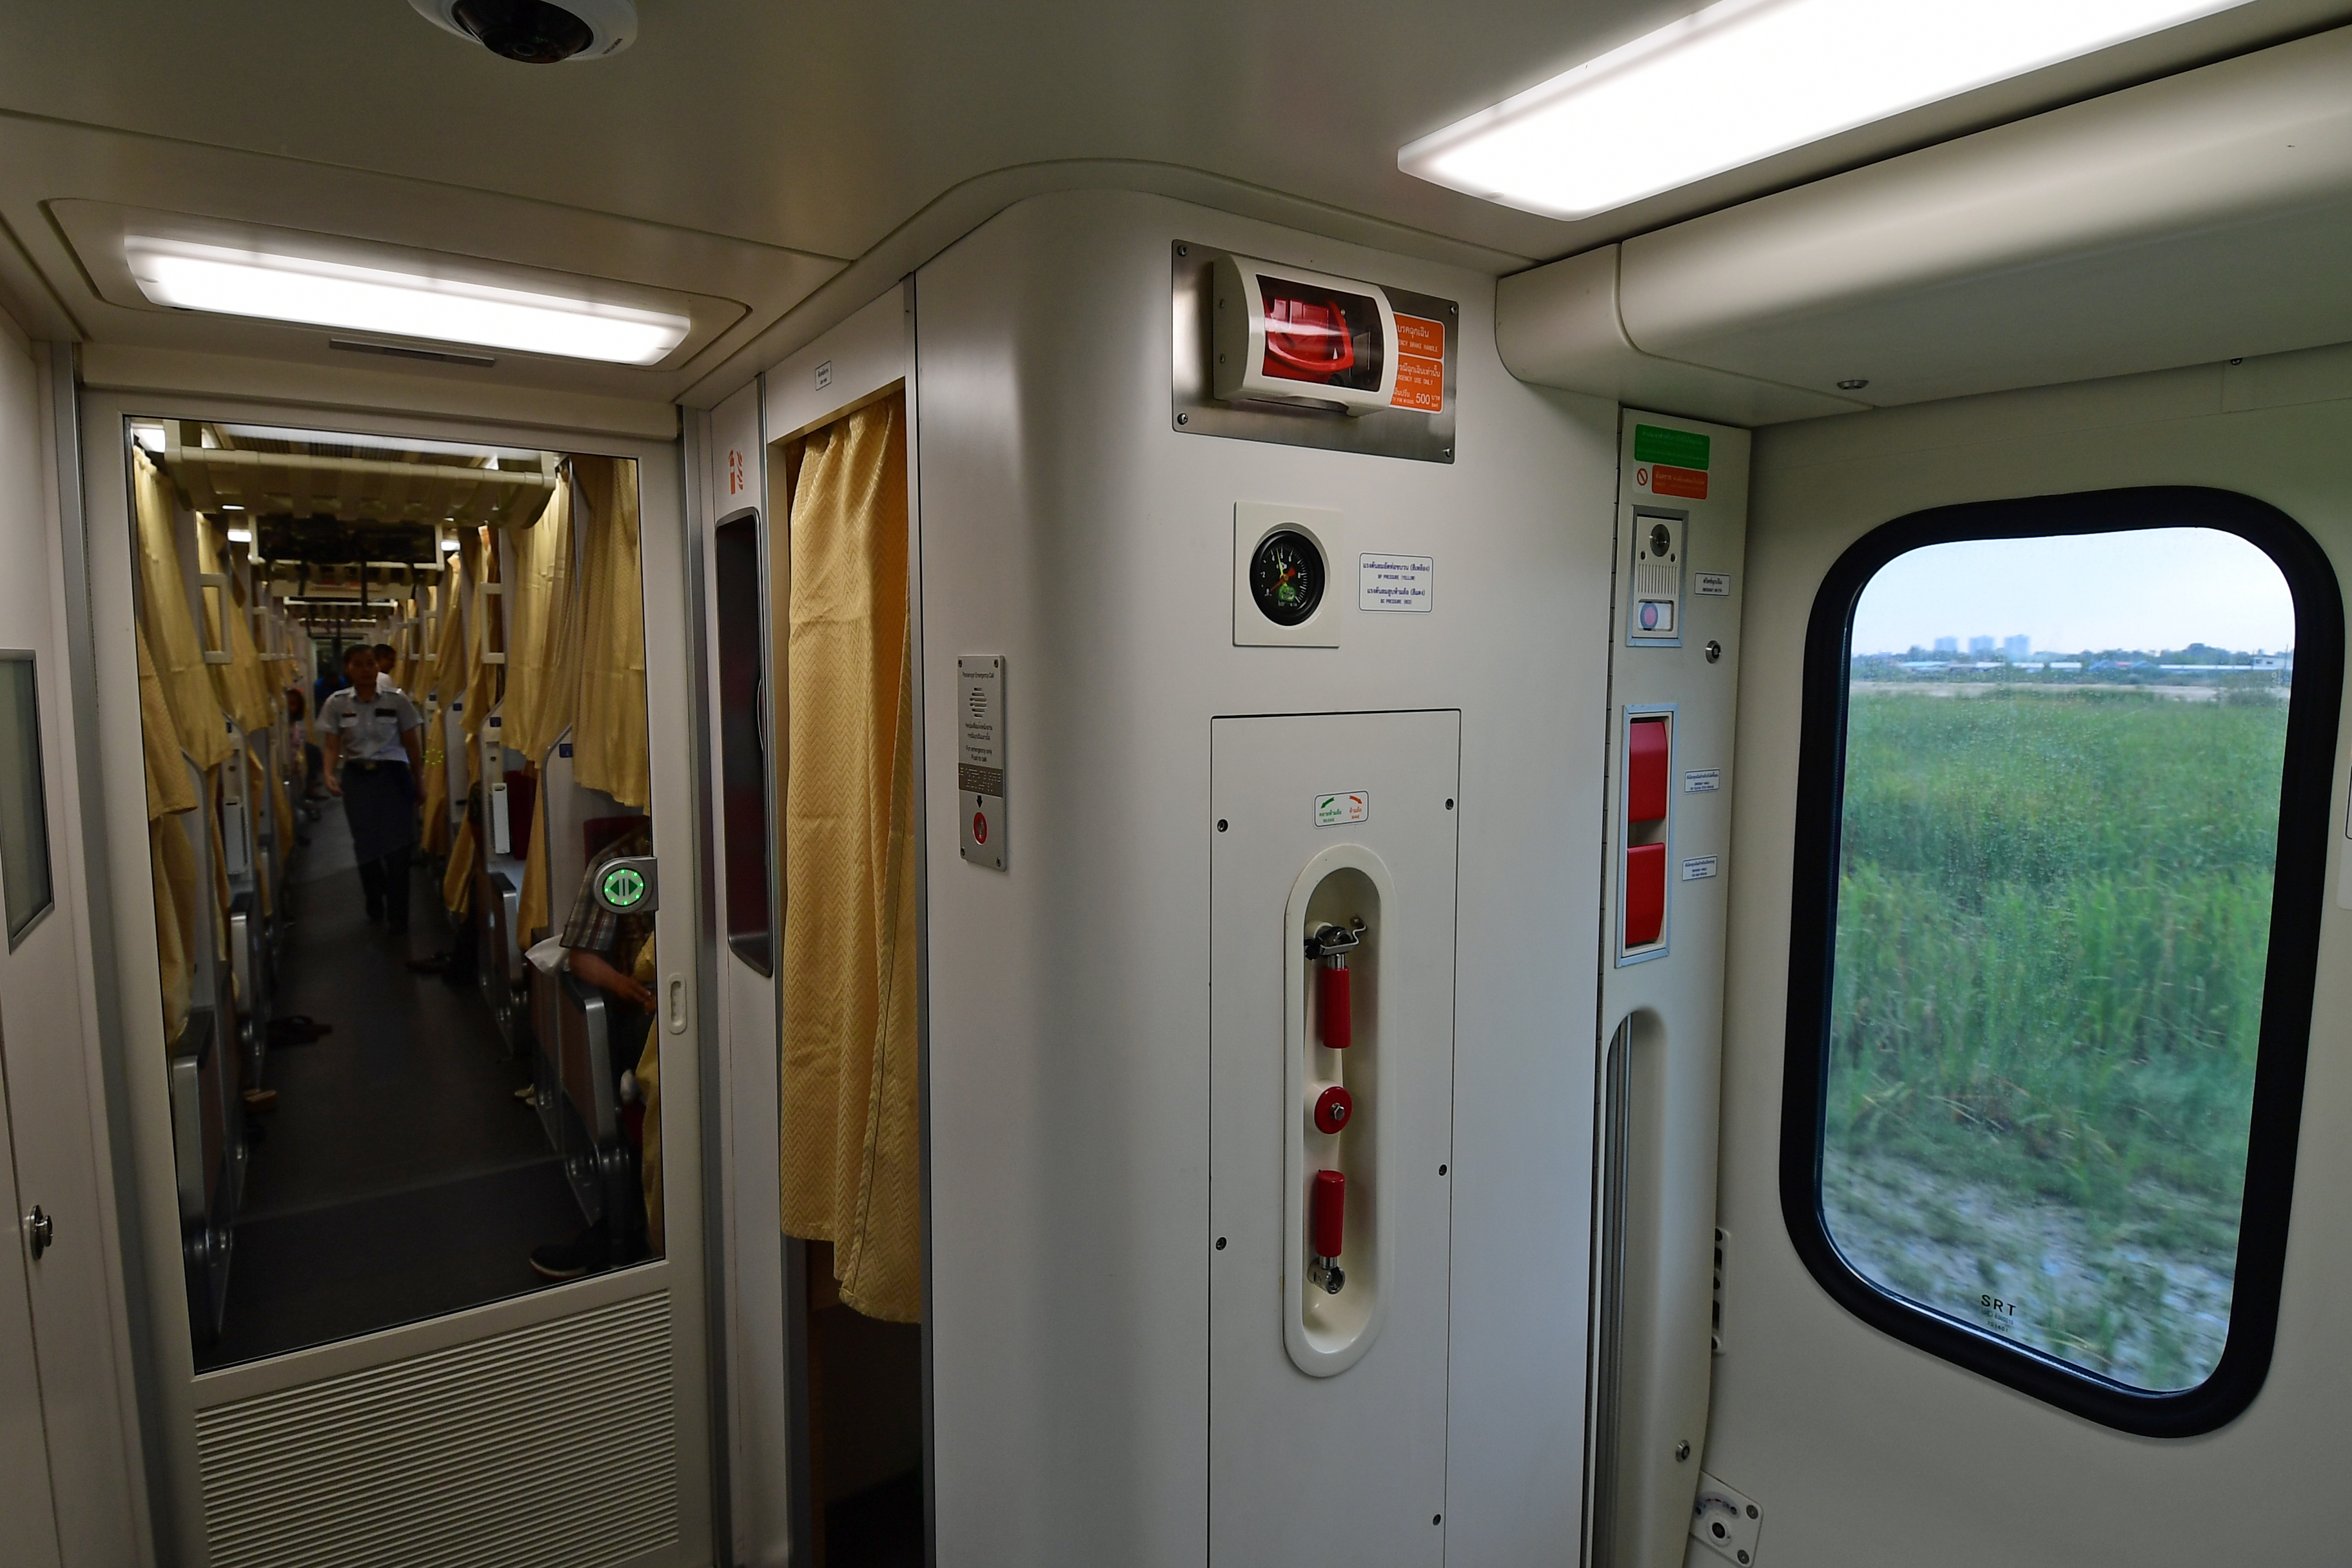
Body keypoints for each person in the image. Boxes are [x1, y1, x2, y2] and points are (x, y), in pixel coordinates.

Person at [529, 820, 662, 1281]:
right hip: (643, 1005)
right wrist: (626, 986)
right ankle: (630, 1229)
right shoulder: (618, 862)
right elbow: (583, 956)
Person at [317, 645, 423, 931]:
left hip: (394, 775)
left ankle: (399, 915)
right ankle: (375, 899)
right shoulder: (337, 703)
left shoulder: (397, 700)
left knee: (399, 845)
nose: (366, 669)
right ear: (348, 668)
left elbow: (412, 743)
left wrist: (420, 780)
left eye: (370, 663)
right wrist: (328, 774)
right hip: (358, 776)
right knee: (366, 844)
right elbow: (331, 745)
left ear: (378, 667)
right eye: (359, 664)